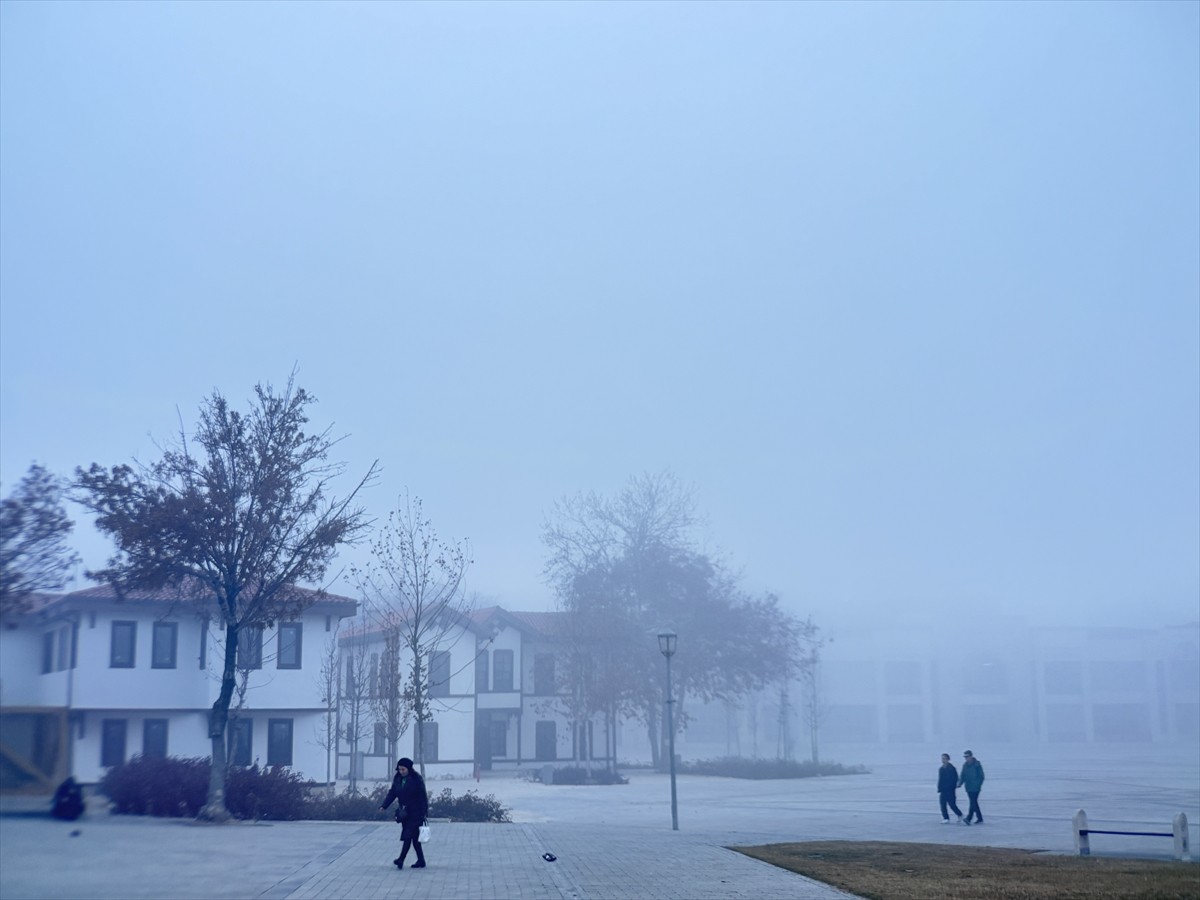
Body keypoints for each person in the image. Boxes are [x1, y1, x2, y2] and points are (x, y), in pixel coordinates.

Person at [379, 757, 429, 869]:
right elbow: (392, 793)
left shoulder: (416, 779)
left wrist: (424, 812)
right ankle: (421, 860)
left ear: (409, 769)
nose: (401, 772)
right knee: (415, 838)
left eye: (403, 769)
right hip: (404, 813)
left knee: (407, 835)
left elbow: (423, 797)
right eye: (399, 769)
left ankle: (401, 859)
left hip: (416, 812)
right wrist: (384, 805)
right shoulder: (398, 779)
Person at [958, 749, 985, 824]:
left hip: (976, 787)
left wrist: (978, 784)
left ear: (971, 756)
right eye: (965, 757)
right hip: (968, 787)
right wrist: (959, 783)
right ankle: (979, 818)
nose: (966, 758)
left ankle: (969, 818)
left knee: (973, 802)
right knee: (974, 802)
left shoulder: (977, 764)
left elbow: (981, 776)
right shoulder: (965, 765)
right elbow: (962, 775)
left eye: (967, 756)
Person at [936, 753, 963, 823]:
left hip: (950, 790)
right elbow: (940, 779)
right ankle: (946, 818)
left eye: (944, 758)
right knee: (942, 804)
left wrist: (952, 787)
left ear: (948, 759)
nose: (943, 760)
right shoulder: (941, 769)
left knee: (952, 804)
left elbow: (955, 778)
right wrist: (939, 788)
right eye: (942, 758)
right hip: (943, 790)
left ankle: (960, 814)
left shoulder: (952, 768)